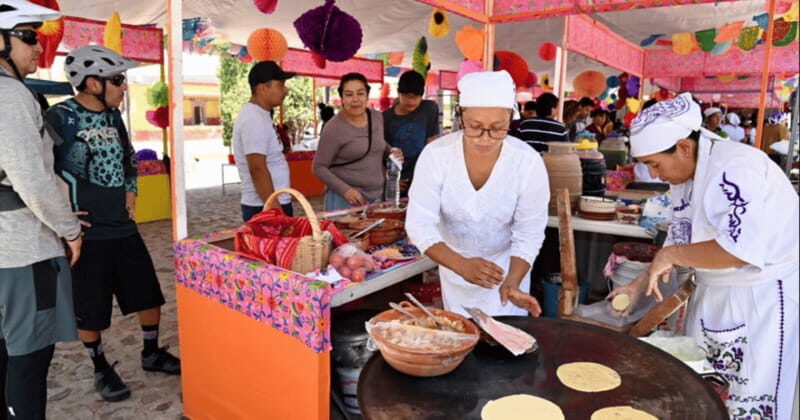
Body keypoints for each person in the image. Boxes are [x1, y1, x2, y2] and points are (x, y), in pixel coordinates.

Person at [608, 92, 798, 420]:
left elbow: (739, 250)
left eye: (655, 163)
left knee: (747, 396)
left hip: (759, 299)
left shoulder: (736, 168)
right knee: (703, 388)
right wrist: (638, 285)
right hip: (714, 291)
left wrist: (670, 255)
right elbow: (680, 247)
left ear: (683, 146)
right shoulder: (692, 174)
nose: (654, 174)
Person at [46, 45, 180, 403]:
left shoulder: (113, 117)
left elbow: (128, 154)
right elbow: (39, 168)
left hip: (122, 225)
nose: (123, 87)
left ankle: (151, 352)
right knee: (91, 306)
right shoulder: (59, 117)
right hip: (86, 233)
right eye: (117, 80)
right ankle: (101, 367)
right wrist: (58, 212)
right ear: (92, 83)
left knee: (147, 291)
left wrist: (132, 190)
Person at [406, 70, 547, 318]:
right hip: (453, 269)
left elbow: (529, 233)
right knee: (462, 338)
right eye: (474, 127)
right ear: (460, 116)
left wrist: (512, 282)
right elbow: (419, 225)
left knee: (507, 343)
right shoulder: (436, 156)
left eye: (497, 128)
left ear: (511, 120)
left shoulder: (527, 162)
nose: (485, 138)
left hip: (507, 273)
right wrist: (461, 265)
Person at [0, 2, 84, 417]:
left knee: (6, 350)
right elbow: (32, 180)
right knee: (29, 358)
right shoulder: (11, 95)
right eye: (29, 35)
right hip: (21, 250)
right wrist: (70, 230)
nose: (39, 46)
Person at [314, 72, 402, 210]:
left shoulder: (377, 117)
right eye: (349, 94)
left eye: (360, 93)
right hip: (344, 200)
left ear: (367, 95)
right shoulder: (333, 128)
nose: (355, 99)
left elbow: (377, 141)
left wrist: (391, 152)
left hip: (376, 197)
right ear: (342, 98)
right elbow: (318, 167)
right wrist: (345, 190)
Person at [233, 61, 294, 222]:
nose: (286, 91)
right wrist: (275, 210)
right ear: (262, 88)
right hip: (264, 206)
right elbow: (257, 169)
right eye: (280, 85)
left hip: (270, 203)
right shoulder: (254, 119)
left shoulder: (260, 115)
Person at [382, 70, 439, 194]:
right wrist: (389, 178)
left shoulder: (429, 109)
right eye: (407, 96)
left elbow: (432, 142)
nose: (411, 101)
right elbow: (379, 152)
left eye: (416, 97)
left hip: (423, 179)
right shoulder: (385, 118)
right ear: (399, 93)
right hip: (396, 181)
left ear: (422, 95)